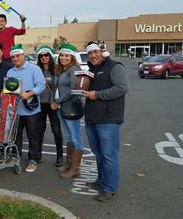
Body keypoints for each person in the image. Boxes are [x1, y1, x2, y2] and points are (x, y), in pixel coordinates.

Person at [84, 42, 129, 202]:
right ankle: (102, 181)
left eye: (95, 52)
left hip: (108, 119)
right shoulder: (92, 69)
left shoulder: (115, 67)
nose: (93, 56)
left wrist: (98, 95)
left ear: (103, 52)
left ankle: (110, 188)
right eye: (90, 53)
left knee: (109, 155)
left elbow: (122, 87)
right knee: (99, 153)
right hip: (92, 118)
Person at [6, 44, 46, 173]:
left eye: (18, 56)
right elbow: (9, 89)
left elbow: (41, 86)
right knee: (16, 136)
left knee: (32, 135)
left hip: (31, 110)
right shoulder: (10, 72)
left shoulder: (34, 69)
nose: (15, 59)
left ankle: (33, 160)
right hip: (16, 110)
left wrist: (29, 93)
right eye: (13, 57)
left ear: (23, 56)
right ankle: (16, 158)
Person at [51, 43, 83, 178]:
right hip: (61, 107)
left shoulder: (73, 69)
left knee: (75, 136)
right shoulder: (61, 69)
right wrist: (54, 101)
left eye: (66, 56)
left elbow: (73, 89)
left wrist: (57, 101)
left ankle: (75, 168)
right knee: (70, 136)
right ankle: (69, 164)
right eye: (62, 55)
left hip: (70, 106)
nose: (63, 58)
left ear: (72, 57)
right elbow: (55, 87)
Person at [36, 45, 63, 167]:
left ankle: (60, 156)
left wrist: (56, 102)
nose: (43, 57)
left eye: (46, 55)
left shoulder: (57, 70)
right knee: (39, 130)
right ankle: (38, 154)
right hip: (40, 104)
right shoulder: (36, 70)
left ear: (50, 56)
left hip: (53, 104)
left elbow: (60, 87)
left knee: (56, 130)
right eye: (41, 56)